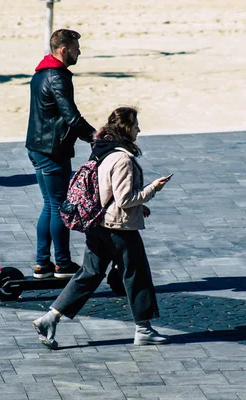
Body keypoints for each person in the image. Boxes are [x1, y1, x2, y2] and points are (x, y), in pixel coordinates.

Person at [32, 107, 172, 349]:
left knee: (88, 275)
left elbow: (107, 192)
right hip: (118, 229)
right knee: (136, 275)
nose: (139, 129)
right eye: (136, 124)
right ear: (126, 128)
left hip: (97, 225)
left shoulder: (102, 152)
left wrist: (140, 208)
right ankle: (143, 329)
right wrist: (153, 188)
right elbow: (124, 199)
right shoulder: (123, 159)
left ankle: (50, 318)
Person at [25, 29, 96, 279]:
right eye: (76, 47)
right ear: (63, 49)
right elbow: (71, 116)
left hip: (36, 147)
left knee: (49, 205)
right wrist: (94, 136)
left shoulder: (41, 73)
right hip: (52, 150)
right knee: (59, 207)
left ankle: (42, 263)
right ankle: (62, 264)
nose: (80, 52)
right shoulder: (57, 77)